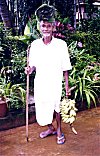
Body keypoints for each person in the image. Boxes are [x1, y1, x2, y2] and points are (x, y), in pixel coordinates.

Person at [25, 4, 72, 145]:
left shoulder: (61, 45)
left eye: (48, 26)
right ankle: (50, 128)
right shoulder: (34, 45)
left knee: (57, 107)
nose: (45, 28)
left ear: (53, 27)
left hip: (55, 82)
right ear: (40, 27)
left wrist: (67, 86)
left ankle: (59, 131)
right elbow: (32, 66)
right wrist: (29, 70)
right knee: (42, 108)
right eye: (43, 26)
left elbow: (65, 68)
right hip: (40, 82)